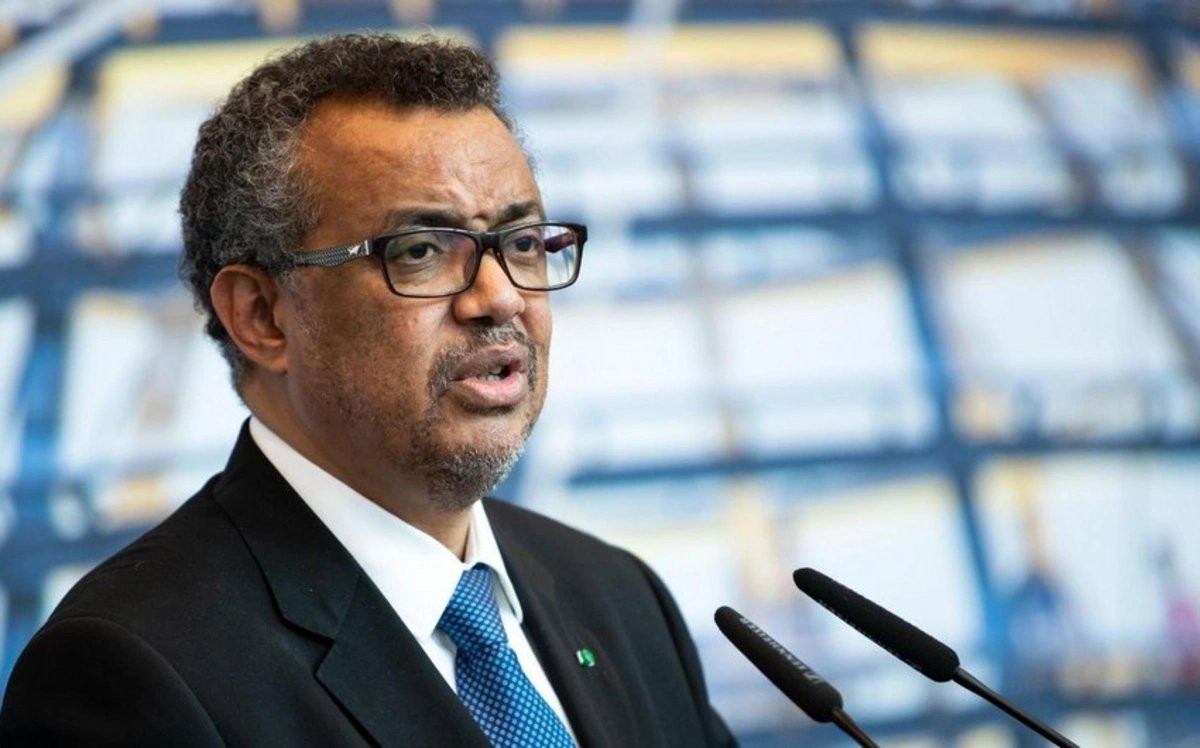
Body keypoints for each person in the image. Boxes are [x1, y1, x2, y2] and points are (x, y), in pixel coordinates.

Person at [0, 33, 734, 747]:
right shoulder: (135, 671)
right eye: (420, 251)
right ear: (262, 316)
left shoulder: (619, 596)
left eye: (522, 243)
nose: (501, 298)